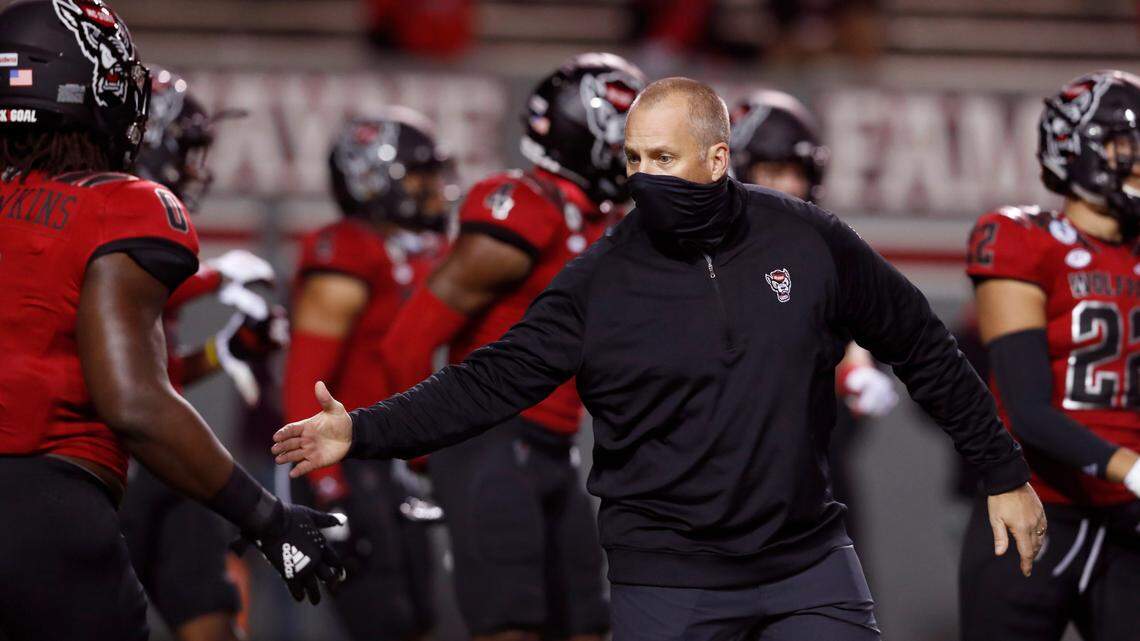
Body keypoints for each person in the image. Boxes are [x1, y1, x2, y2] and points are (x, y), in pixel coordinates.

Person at [273, 76, 1047, 641]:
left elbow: (922, 342)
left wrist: (1003, 470)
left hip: (804, 559)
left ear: (717, 158)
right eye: (636, 160)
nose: (645, 178)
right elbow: (491, 379)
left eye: (665, 159)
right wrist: (363, 429)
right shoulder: (599, 277)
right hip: (670, 576)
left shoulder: (807, 240)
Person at [0, 3, 342, 640]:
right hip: (47, 509)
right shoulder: (119, 207)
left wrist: (210, 355)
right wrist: (267, 517)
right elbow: (132, 400)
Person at [376, 52, 644, 641]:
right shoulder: (528, 210)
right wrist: (426, 454)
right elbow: (407, 342)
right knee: (510, 626)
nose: (636, 149)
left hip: (555, 447)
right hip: (488, 440)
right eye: (625, 132)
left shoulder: (601, 222)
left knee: (588, 623)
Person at [961, 69, 1140, 641]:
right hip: (1035, 510)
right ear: (1079, 149)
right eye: (1126, 147)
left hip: (1129, 523)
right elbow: (1028, 411)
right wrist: (1134, 468)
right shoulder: (1022, 238)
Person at [119, 66, 288, 641]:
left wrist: (221, 352)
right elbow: (121, 284)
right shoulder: (95, 209)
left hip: (159, 462)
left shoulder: (145, 221)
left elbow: (142, 379)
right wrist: (215, 278)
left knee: (214, 620)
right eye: (185, 150)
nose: (196, 170)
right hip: (90, 472)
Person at [282, 109, 453, 641]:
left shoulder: (411, 249)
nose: (435, 189)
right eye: (420, 176)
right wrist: (329, 488)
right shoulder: (347, 255)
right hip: (350, 465)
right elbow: (303, 384)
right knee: (384, 622)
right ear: (374, 180)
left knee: (420, 619)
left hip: (393, 461)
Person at [729, 89, 898, 545]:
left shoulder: (822, 247)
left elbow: (842, 321)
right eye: (771, 170)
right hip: (724, 473)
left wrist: (858, 372)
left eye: (794, 172)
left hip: (810, 474)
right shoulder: (705, 252)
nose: (786, 186)